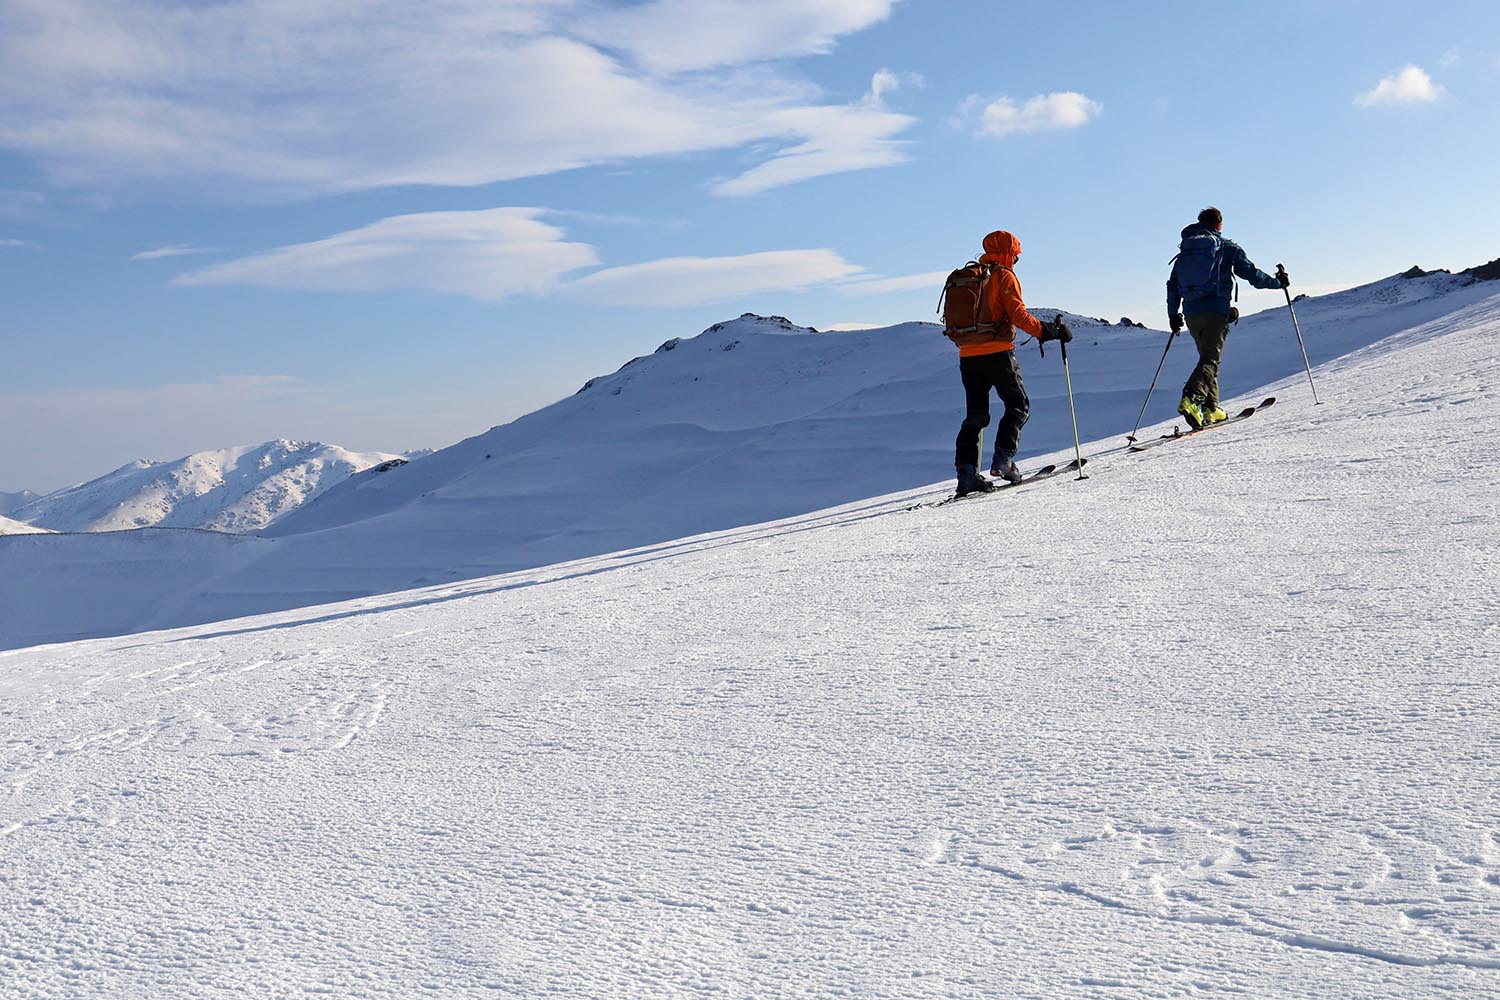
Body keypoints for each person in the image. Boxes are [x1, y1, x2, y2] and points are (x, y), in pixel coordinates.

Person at [952, 230, 1070, 496]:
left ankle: (966, 474)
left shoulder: (970, 277)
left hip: (968, 355)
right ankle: (1003, 462)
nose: (1016, 261)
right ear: (1009, 253)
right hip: (998, 353)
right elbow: (1017, 314)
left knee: (976, 416)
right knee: (1018, 405)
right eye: (1016, 256)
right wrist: (1046, 331)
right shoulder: (1002, 276)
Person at [1167, 206, 1288, 429]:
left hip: (1192, 314)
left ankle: (1211, 408)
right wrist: (1278, 283)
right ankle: (1191, 398)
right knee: (1211, 359)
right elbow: (1253, 275)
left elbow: (1173, 285)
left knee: (1207, 358)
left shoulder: (1186, 251)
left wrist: (1173, 315)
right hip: (1216, 310)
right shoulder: (1226, 247)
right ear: (1220, 225)